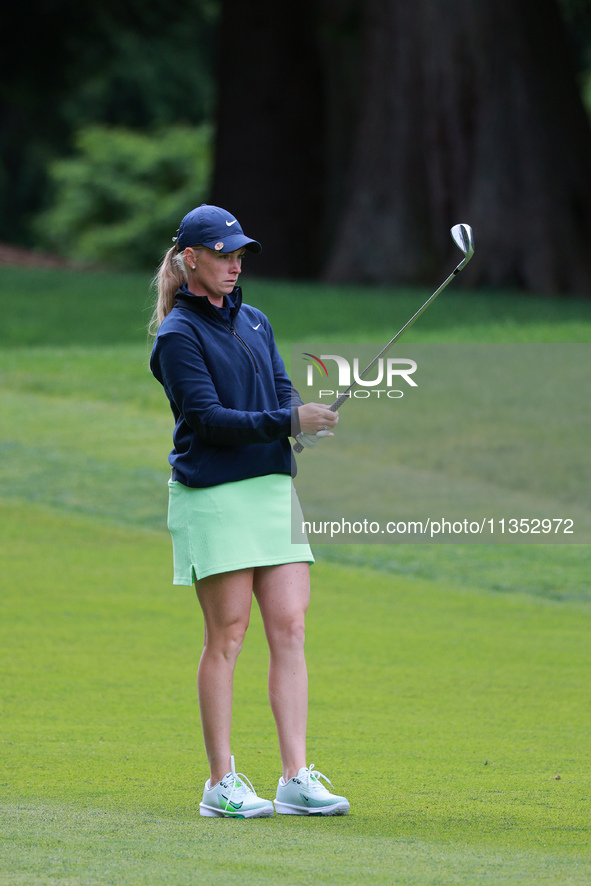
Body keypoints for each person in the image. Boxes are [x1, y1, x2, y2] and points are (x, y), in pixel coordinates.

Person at [149, 204, 349, 818]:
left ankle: (295, 776)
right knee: (228, 636)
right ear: (191, 259)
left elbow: (280, 389)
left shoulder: (256, 321)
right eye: (224, 254)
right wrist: (287, 421)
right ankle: (221, 782)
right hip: (214, 495)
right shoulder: (177, 335)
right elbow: (208, 421)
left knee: (290, 627)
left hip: (268, 489)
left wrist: (301, 420)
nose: (236, 265)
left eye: (240, 255)